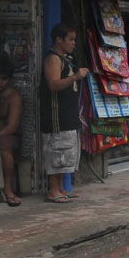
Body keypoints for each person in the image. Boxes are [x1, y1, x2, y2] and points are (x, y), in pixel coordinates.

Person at [40, 23, 88, 204]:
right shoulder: (53, 59)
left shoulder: (64, 58)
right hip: (56, 116)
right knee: (58, 151)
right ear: (59, 39)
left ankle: (60, 188)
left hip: (68, 114)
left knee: (66, 152)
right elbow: (53, 84)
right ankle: (53, 190)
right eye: (71, 39)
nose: (73, 43)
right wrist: (75, 77)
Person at [0, 52, 23, 206]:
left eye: (3, 79)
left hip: (7, 136)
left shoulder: (13, 97)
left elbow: (12, 126)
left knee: (4, 147)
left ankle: (8, 189)